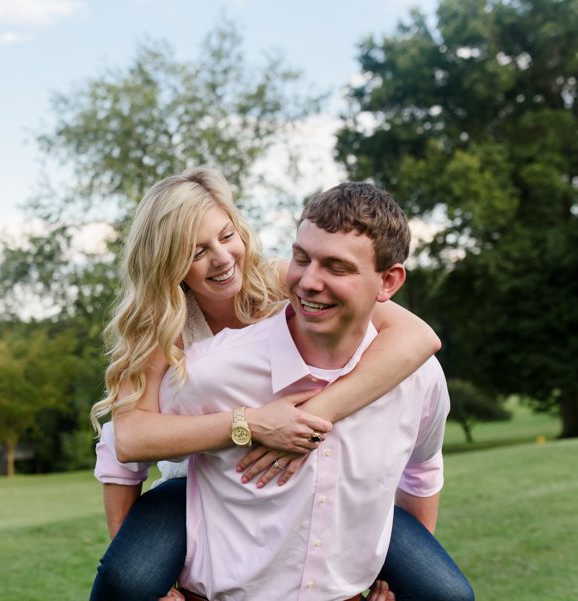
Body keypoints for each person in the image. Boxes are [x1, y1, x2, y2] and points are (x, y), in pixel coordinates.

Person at [89, 169, 472, 601]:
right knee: (130, 580)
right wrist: (251, 424)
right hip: (198, 481)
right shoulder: (158, 330)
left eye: (227, 236)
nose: (222, 258)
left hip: (323, 480)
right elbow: (128, 443)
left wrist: (313, 417)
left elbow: (417, 337)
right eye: (197, 252)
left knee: (444, 591)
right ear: (167, 262)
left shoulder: (285, 281)